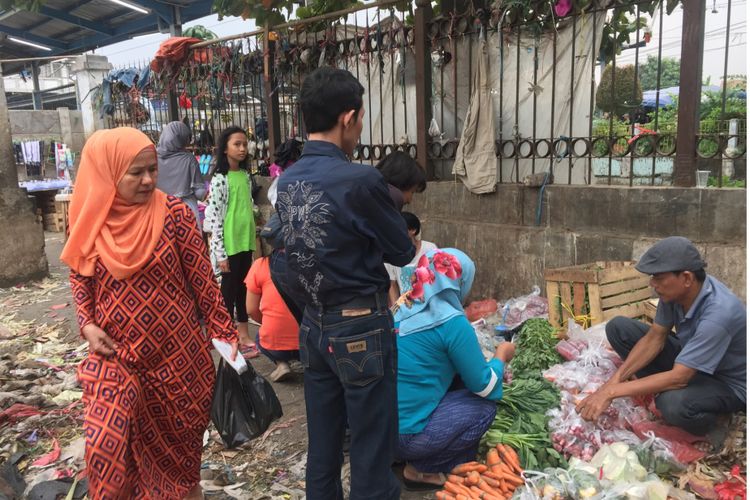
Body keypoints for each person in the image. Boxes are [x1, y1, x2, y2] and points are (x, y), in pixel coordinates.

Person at [60, 127, 239, 499]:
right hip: (117, 357)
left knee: (178, 463)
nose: (147, 180)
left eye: (151, 170)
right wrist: (87, 323)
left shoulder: (174, 215)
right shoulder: (91, 218)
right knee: (107, 451)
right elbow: (81, 276)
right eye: (135, 172)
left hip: (180, 362)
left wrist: (225, 332)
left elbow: (203, 282)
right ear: (108, 172)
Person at [275, 67, 415, 500]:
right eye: (361, 119)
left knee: (324, 444)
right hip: (360, 326)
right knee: (372, 450)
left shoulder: (288, 180)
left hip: (314, 325)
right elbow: (403, 251)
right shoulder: (361, 179)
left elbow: (288, 255)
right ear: (348, 117)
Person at [577, 237, 746, 445]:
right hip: (692, 363)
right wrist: (612, 383)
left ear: (686, 278)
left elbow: (680, 377)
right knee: (619, 328)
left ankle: (717, 422)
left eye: (658, 277)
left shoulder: (719, 314)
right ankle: (659, 390)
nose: (652, 284)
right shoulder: (676, 294)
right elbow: (655, 337)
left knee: (672, 404)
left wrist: (611, 392)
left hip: (727, 384)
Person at [393, 248, 514, 490]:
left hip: (375, 429)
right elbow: (486, 387)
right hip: (405, 437)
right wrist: (502, 356)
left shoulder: (402, 305)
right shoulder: (451, 322)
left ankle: (401, 457)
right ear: (459, 280)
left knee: (455, 382)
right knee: (483, 408)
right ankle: (422, 469)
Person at [204, 126, 257, 355]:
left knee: (243, 290)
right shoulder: (219, 180)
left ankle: (243, 334)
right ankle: (223, 334)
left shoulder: (245, 176)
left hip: (245, 243)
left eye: (244, 144)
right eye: (237, 144)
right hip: (230, 245)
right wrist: (220, 253)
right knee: (227, 292)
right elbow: (214, 218)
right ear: (225, 149)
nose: (242, 148)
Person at [245, 252, 300, 382]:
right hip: (309, 340)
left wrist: (265, 322)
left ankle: (281, 363)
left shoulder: (261, 264)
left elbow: (251, 309)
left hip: (274, 341)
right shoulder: (308, 260)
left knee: (260, 337)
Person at [156, 121, 207, 228]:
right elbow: (200, 193)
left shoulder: (152, 159)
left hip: (160, 210)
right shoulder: (189, 159)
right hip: (186, 210)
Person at [385, 212, 437, 306]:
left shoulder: (430, 249)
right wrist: (396, 311)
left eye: (399, 229)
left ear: (413, 230)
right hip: (406, 307)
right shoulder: (390, 254)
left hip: (427, 306)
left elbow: (437, 278)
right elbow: (392, 284)